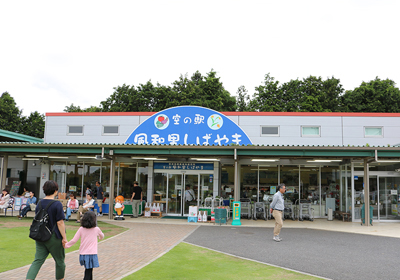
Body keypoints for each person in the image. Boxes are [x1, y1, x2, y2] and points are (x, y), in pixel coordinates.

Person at [26, 180, 67, 280]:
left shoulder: (39, 203)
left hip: (40, 236)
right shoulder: (57, 204)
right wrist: (64, 238)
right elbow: (60, 222)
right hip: (54, 237)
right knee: (60, 261)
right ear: (55, 191)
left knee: (37, 261)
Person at [65, 211, 104, 280]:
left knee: (88, 270)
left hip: (83, 253)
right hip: (92, 253)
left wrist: (66, 245)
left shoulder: (81, 229)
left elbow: (74, 240)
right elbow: (102, 236)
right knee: (88, 271)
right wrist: (99, 237)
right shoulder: (96, 229)